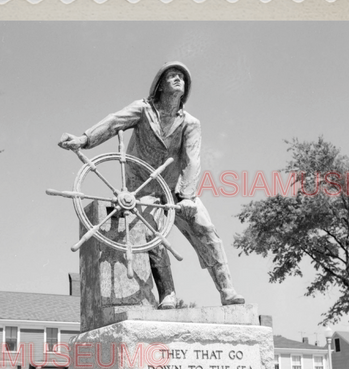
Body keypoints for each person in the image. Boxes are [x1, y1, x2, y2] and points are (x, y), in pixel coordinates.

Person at [59, 61, 244, 310]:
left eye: (182, 77)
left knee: (207, 230)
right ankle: (168, 293)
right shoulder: (143, 110)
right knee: (149, 232)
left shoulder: (191, 123)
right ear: (159, 85)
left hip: (177, 190)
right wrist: (84, 139)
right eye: (172, 75)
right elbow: (113, 123)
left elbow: (192, 160)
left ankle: (227, 290)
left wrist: (188, 196)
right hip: (143, 189)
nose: (179, 79)